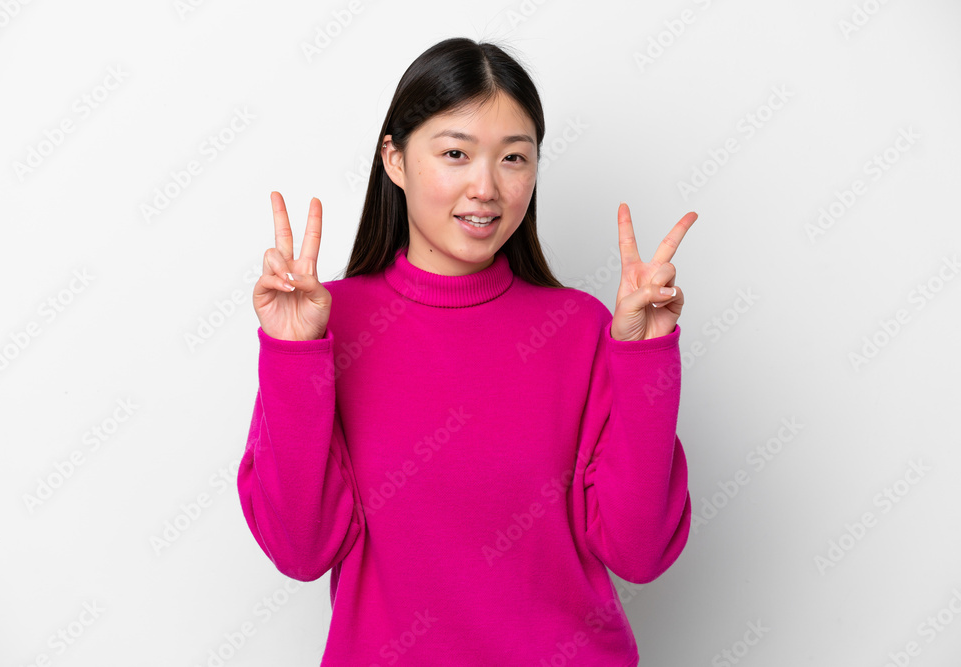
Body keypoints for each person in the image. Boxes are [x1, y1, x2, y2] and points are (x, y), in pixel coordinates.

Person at [238, 36, 697, 666]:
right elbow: (302, 549)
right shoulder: (325, 324)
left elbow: (639, 553)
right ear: (394, 160)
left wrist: (645, 359)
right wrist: (293, 358)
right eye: (456, 153)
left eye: (514, 159)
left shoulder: (583, 329)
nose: (486, 187)